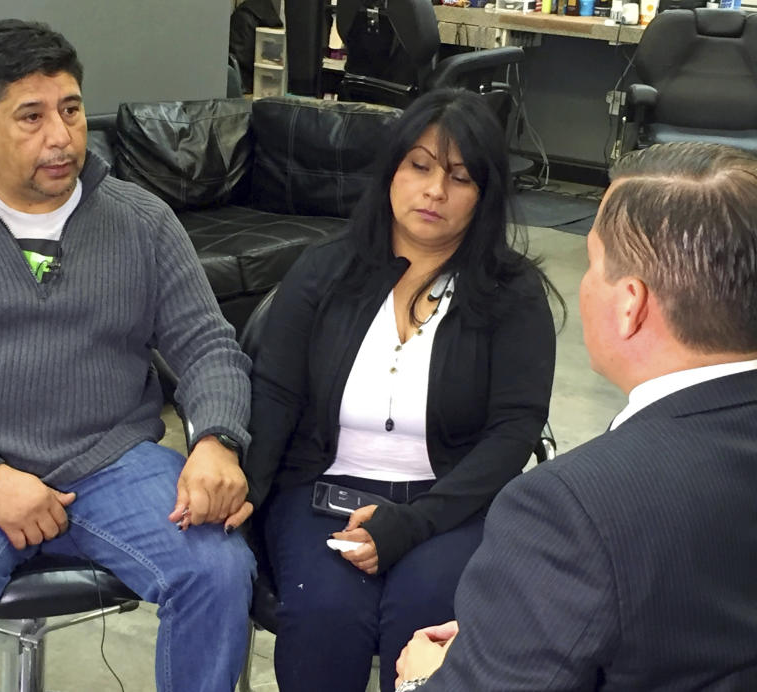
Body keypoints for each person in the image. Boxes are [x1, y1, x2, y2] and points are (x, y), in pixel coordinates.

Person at [0, 19, 256, 692]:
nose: (59, 137)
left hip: (110, 463)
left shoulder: (142, 221)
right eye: (29, 117)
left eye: (71, 109)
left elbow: (207, 345)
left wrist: (217, 442)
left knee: (218, 570)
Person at [394, 142, 757, 691]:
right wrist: (511, 635)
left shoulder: (570, 510)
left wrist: (426, 681)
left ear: (631, 304)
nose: (583, 285)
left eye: (593, 264)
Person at [234, 89, 560, 692]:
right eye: (420, 167)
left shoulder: (512, 293)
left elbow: (514, 429)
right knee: (324, 613)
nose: (435, 191)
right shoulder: (322, 270)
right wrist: (243, 494)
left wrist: (413, 523)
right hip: (319, 493)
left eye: (460, 178)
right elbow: (275, 394)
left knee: (423, 618)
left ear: (484, 197)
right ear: (391, 171)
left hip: (452, 503)